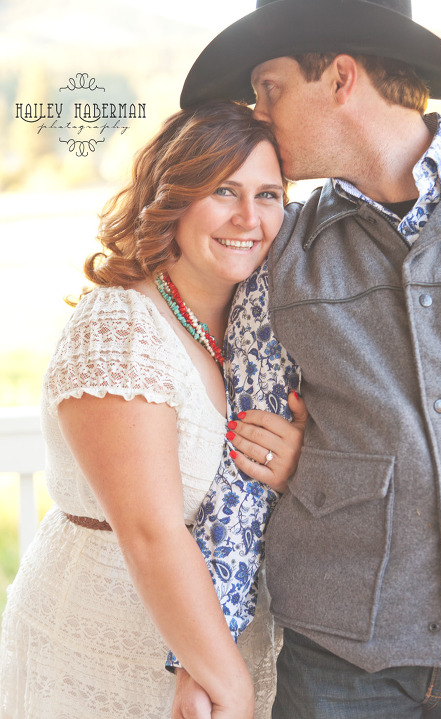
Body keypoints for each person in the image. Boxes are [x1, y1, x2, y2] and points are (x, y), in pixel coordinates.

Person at [173, 0, 441, 716]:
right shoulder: (280, 256)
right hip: (342, 664)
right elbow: (240, 475)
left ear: (341, 78)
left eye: (270, 87)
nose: (257, 113)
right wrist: (205, 657)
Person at [0, 100, 307, 719]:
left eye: (269, 194)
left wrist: (292, 463)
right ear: (174, 198)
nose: (250, 217)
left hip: (219, 646)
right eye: (224, 190)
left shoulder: (261, 326)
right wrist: (233, 691)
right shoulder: (120, 328)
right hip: (103, 647)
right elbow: (150, 533)